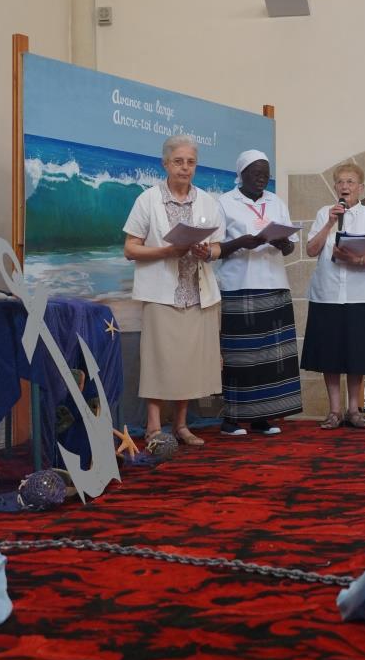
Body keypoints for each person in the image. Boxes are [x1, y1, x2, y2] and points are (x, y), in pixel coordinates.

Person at [122, 134, 225, 447]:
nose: (185, 168)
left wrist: (208, 252)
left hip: (197, 292)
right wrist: (167, 251)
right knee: (158, 361)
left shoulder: (207, 201)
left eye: (191, 162)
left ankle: (181, 425)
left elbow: (218, 246)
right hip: (160, 293)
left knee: (188, 363)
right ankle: (154, 427)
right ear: (165, 164)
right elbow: (130, 248)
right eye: (178, 161)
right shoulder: (148, 200)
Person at [214, 150, 302, 437]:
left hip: (275, 284)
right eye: (256, 172)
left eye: (266, 173)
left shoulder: (276, 202)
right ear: (242, 174)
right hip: (239, 285)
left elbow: (290, 246)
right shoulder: (224, 203)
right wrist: (241, 242)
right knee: (240, 356)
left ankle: (263, 417)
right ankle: (231, 419)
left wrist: (282, 243)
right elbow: (216, 249)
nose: (262, 177)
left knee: (273, 355)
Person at [300, 162, 365, 429]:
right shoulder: (323, 213)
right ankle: (334, 411)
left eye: (350, 182)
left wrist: (357, 258)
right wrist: (329, 222)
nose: (345, 186)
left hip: (360, 293)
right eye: (340, 182)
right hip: (327, 293)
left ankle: (353, 409)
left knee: (356, 353)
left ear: (360, 188)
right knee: (330, 354)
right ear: (335, 187)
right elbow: (311, 250)